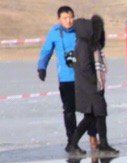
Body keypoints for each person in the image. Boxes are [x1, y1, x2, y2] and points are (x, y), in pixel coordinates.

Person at [38, 6, 97, 149]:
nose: (69, 21)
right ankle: (72, 141)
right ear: (59, 19)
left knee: (90, 109)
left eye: (71, 17)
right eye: (65, 18)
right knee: (69, 111)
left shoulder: (80, 31)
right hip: (66, 78)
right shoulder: (54, 33)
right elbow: (46, 51)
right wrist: (42, 67)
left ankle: (93, 137)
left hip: (83, 77)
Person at [68, 16, 118, 156]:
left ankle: (74, 144)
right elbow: (84, 67)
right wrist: (95, 83)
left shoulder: (88, 44)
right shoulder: (83, 45)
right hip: (89, 87)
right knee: (99, 113)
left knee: (91, 117)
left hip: (90, 86)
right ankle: (103, 144)